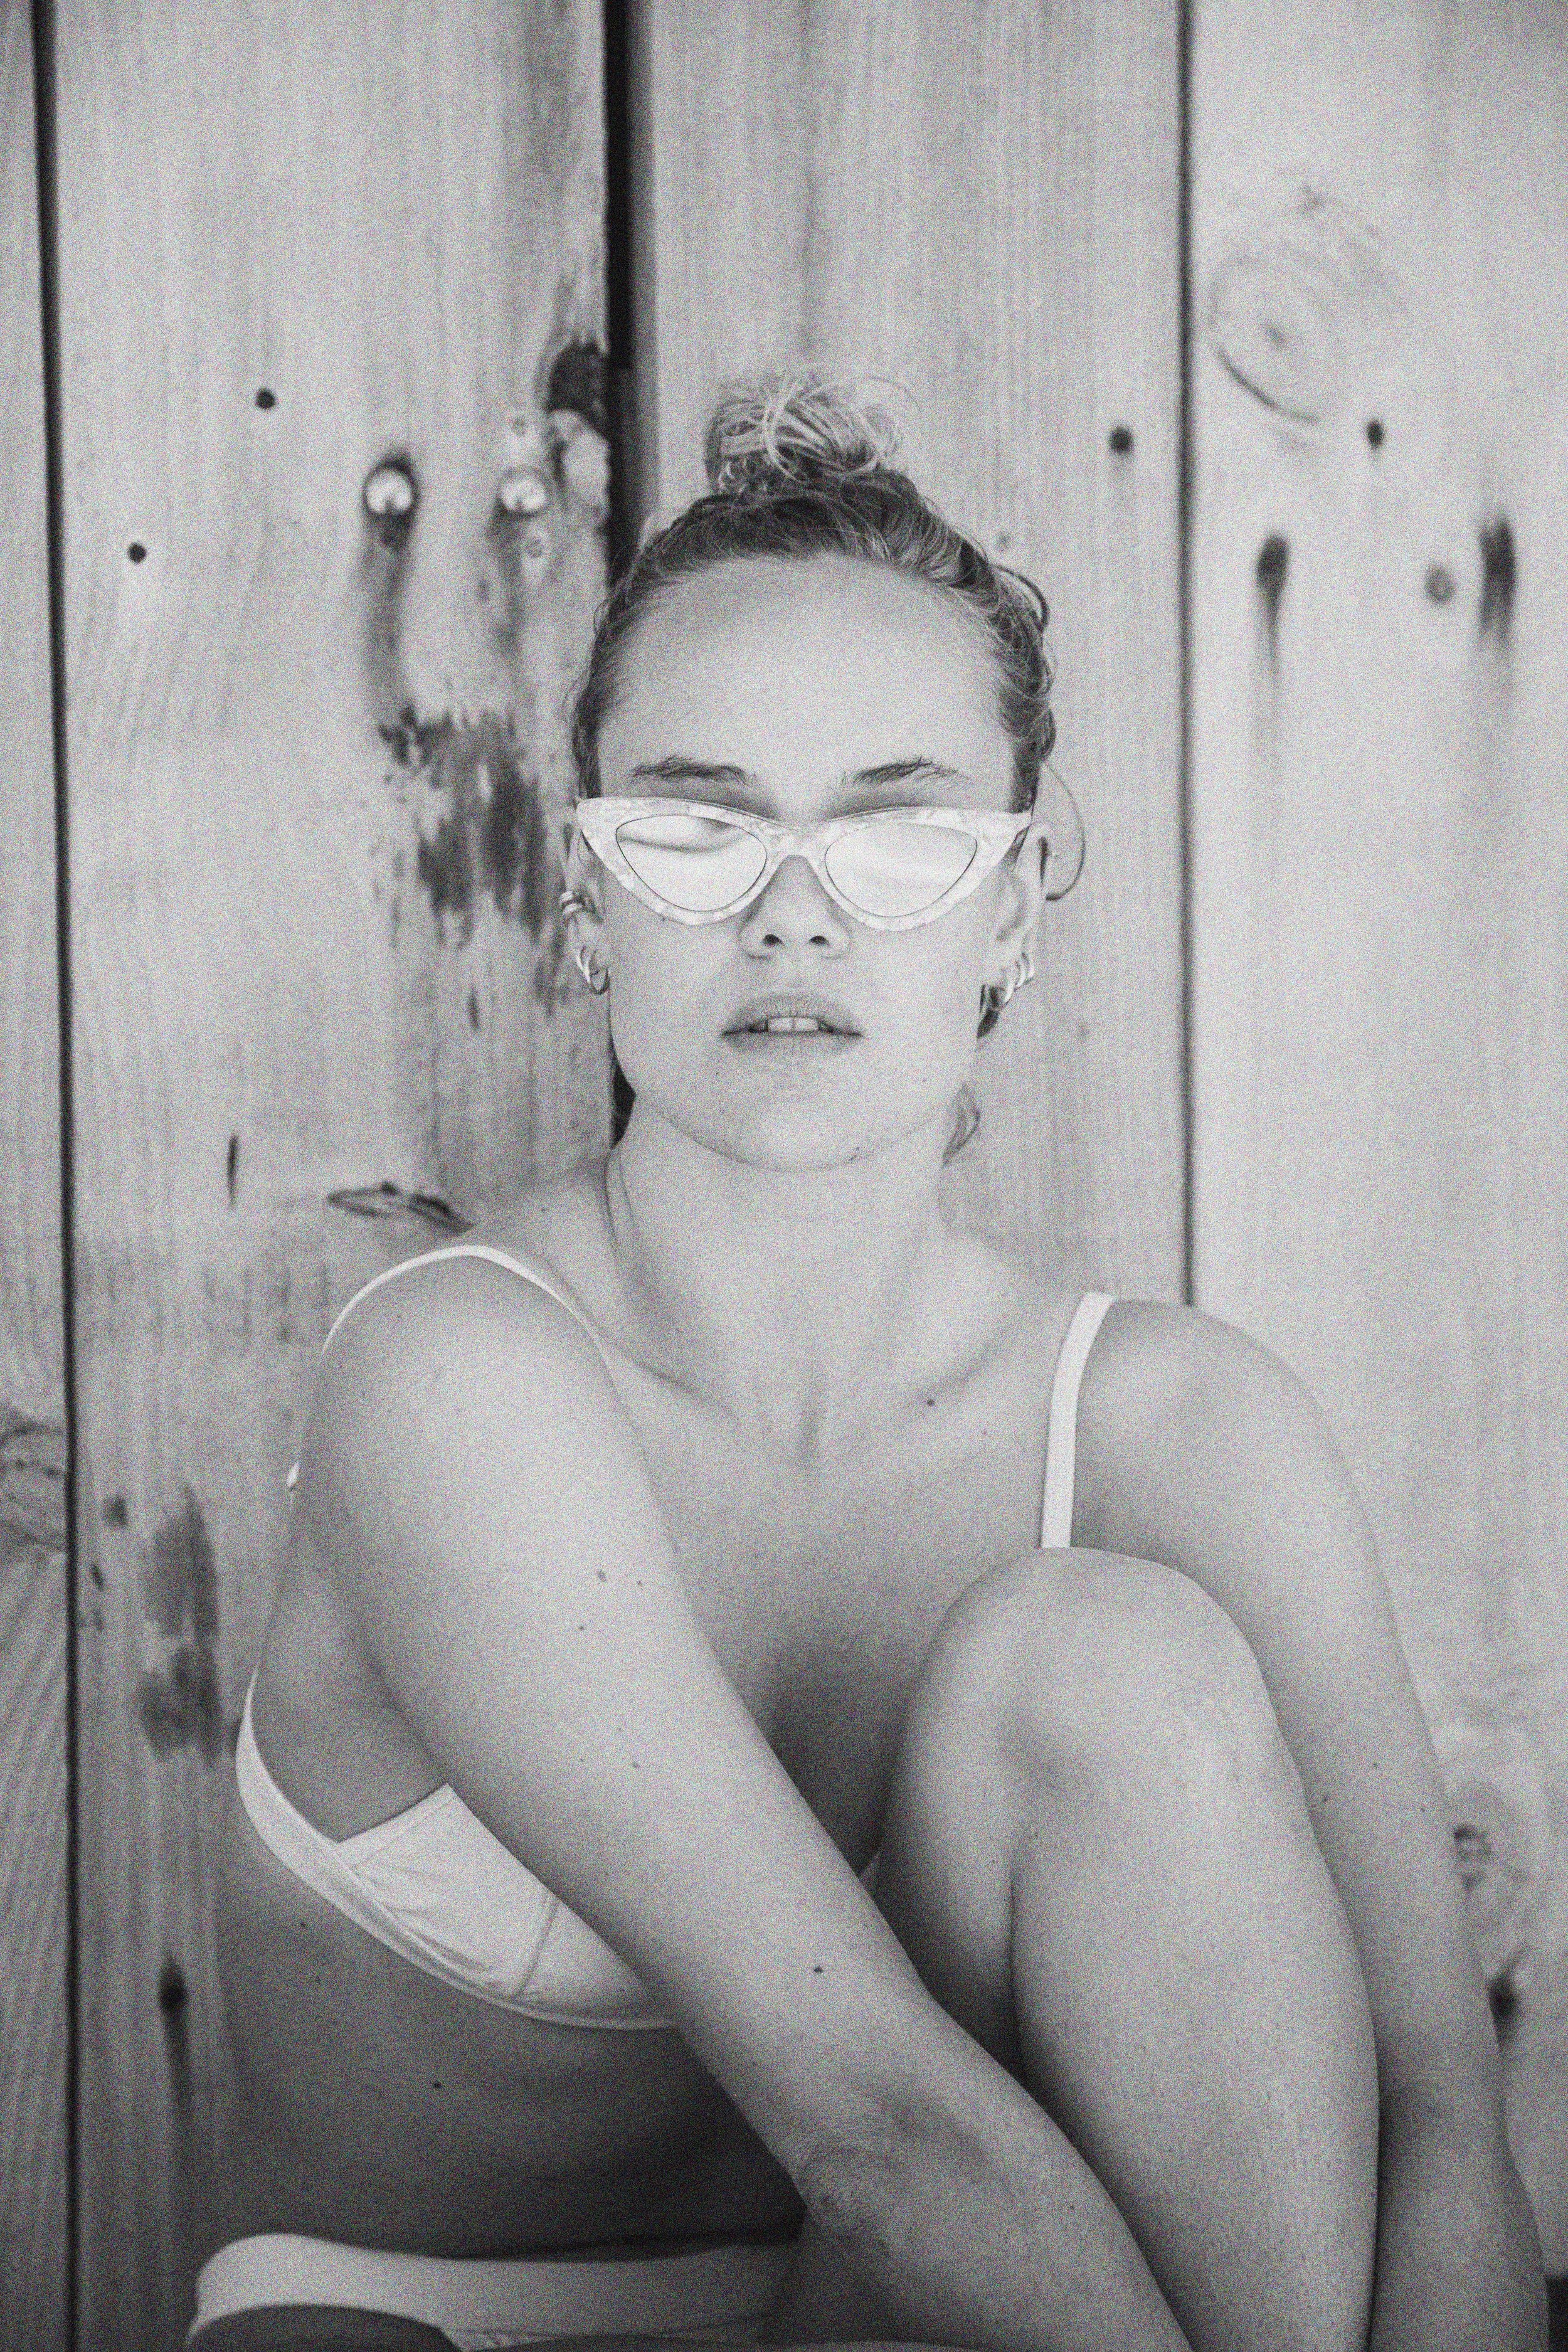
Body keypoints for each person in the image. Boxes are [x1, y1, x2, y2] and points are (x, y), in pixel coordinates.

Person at [204, 374, 1545, 2352]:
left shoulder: (1181, 1428)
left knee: (1105, 1662)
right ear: (582, 910)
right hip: (459, 2321)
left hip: (959, 2316)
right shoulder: (459, 1381)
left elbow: (1443, 2137)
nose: (795, 917)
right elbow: (870, 2130)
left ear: (1011, 914)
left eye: (900, 839)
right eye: (693, 827)